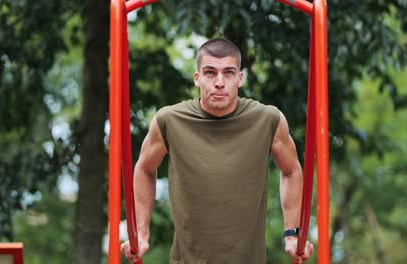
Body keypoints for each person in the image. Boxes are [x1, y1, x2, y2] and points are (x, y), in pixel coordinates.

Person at [121, 38, 314, 264]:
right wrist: (141, 233)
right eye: (210, 73)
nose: (219, 82)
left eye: (229, 73)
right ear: (197, 78)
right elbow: (144, 168)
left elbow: (291, 170)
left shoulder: (267, 119)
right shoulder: (169, 121)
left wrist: (292, 234)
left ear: (240, 78)